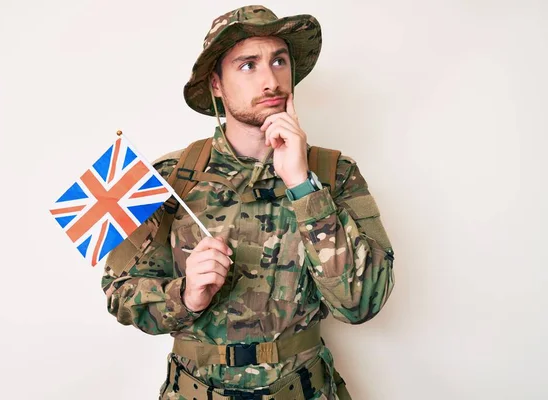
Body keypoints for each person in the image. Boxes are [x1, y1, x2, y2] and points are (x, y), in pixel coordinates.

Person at [101, 5, 395, 399]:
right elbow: (121, 293)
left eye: (279, 61)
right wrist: (186, 296)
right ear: (216, 84)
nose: (270, 80)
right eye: (247, 65)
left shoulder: (333, 174)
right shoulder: (170, 176)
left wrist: (301, 184)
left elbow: (363, 302)